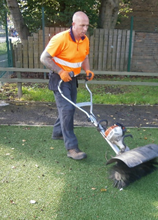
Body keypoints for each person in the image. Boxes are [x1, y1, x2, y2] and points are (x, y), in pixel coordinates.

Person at [40, 11, 94, 160]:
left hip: (72, 79)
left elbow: (85, 56)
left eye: (87, 26)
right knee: (67, 109)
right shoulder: (60, 39)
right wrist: (60, 71)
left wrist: (87, 69)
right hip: (59, 79)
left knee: (69, 108)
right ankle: (72, 148)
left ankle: (57, 132)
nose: (84, 29)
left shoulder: (85, 40)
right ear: (73, 24)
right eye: (82, 25)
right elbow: (44, 58)